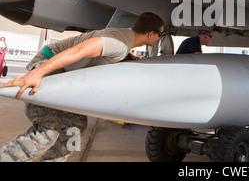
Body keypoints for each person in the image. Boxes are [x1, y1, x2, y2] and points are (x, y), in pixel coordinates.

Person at [0, 12, 164, 162]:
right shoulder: (120, 43)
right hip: (50, 64)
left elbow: (104, 46)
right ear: (150, 34)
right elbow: (79, 50)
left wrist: (127, 56)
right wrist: (38, 72)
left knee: (75, 128)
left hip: (65, 72)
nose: (159, 38)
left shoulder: (125, 39)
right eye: (160, 34)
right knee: (47, 131)